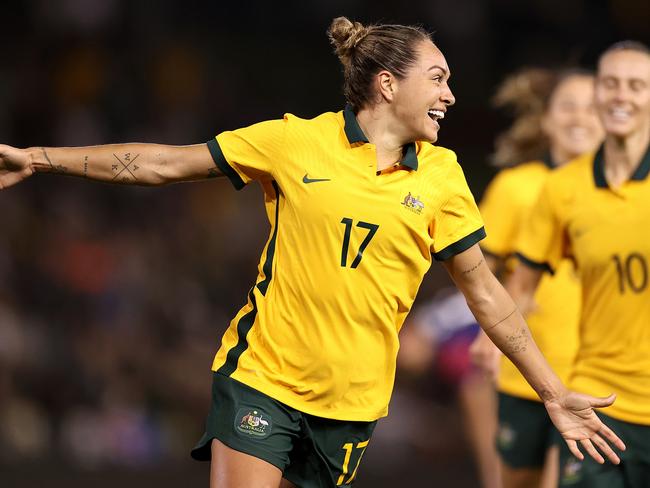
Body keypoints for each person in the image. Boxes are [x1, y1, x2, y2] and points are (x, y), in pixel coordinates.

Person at [0, 17, 625, 488]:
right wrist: (41, 158)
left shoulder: (443, 175)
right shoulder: (294, 142)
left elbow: (484, 292)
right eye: (437, 79)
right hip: (262, 380)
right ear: (387, 83)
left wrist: (549, 390)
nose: (451, 95)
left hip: (352, 406)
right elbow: (166, 164)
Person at [510, 41, 650, 488]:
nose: (620, 96)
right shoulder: (562, 189)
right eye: (610, 84)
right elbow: (518, 294)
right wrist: (546, 385)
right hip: (601, 404)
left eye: (636, 86)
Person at [469, 68, 604, 488]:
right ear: (546, 119)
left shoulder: (632, 194)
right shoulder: (516, 187)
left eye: (591, 106)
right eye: (568, 106)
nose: (580, 117)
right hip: (525, 369)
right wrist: (484, 335)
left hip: (600, 374)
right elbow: (478, 273)